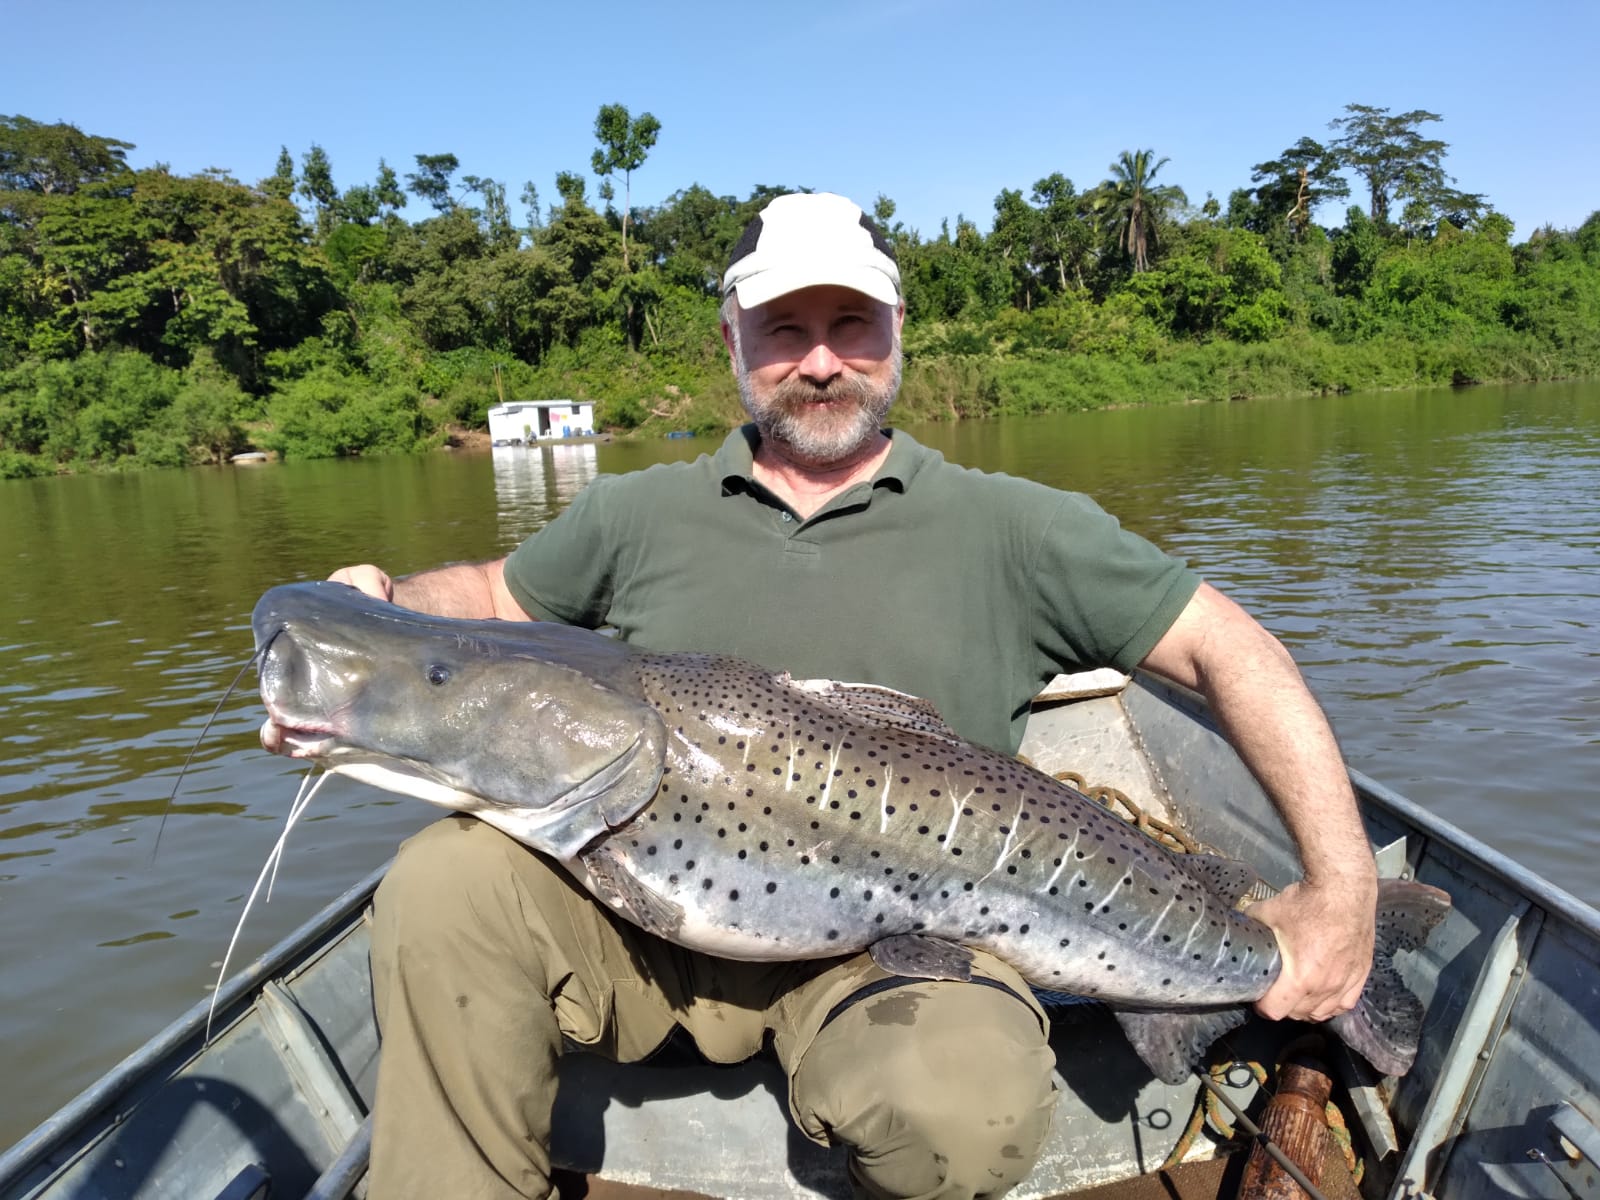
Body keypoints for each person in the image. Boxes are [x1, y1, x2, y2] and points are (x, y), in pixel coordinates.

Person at [330, 191, 1378, 1200]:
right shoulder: (632, 515)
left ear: (897, 331)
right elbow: (486, 598)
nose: (820, 359)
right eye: (783, 328)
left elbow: (1231, 653)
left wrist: (1343, 893)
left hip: (901, 951)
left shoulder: (1014, 526)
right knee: (440, 883)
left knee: (962, 1108)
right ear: (731, 341)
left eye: (849, 324)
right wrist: (384, 600)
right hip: (634, 919)